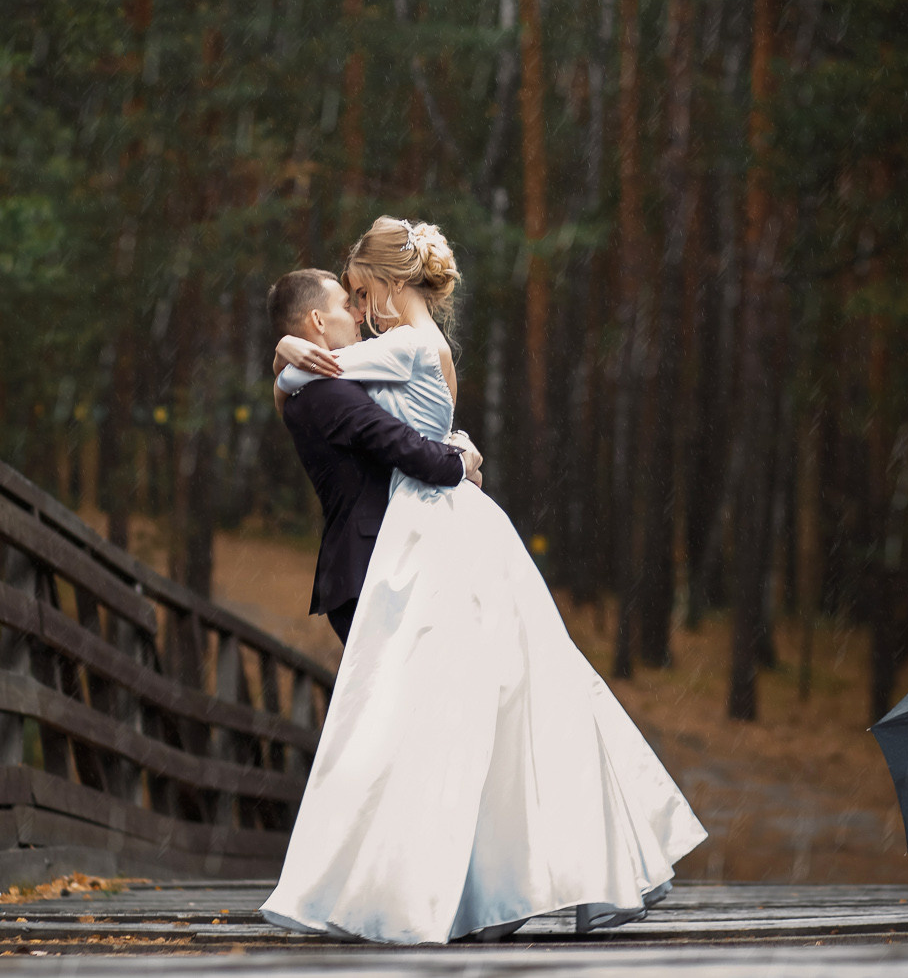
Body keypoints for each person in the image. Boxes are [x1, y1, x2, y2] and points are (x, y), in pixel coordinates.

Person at [260, 216, 706, 946]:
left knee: (454, 715)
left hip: (436, 535)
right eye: (349, 299)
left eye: (363, 290)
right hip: (450, 527)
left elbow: (323, 386)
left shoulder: (397, 348)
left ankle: (452, 885)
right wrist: (290, 348)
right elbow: (366, 407)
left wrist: (289, 356)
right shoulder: (413, 345)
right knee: (498, 706)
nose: (359, 307)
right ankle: (494, 878)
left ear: (388, 284)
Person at [264, 268, 481, 643]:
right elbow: (404, 446)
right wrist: (462, 460)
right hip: (370, 569)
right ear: (317, 320)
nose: (359, 315)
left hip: (370, 568)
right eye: (348, 305)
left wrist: (281, 364)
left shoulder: (313, 389)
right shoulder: (329, 395)